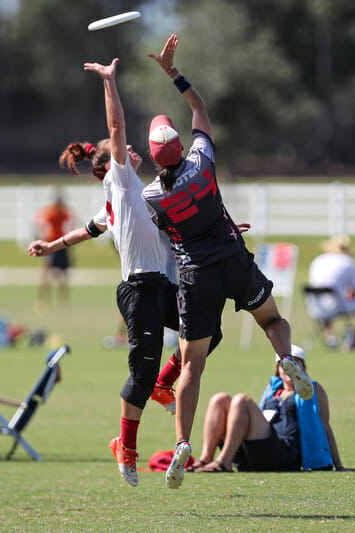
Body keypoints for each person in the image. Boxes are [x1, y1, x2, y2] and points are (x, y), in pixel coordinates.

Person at [141, 34, 313, 490]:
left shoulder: (153, 195)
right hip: (233, 256)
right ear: (181, 146)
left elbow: (167, 229)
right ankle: (285, 361)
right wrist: (172, 72)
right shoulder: (202, 163)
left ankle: (181, 442)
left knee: (192, 365)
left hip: (195, 275)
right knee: (274, 321)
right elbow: (200, 110)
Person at [26, 57, 203, 488]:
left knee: (203, 334)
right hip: (140, 291)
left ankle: (166, 386)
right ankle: (125, 446)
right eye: (121, 151)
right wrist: (109, 82)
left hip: (163, 286)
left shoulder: (130, 196)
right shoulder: (120, 181)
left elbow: (89, 230)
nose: (130, 150)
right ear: (111, 164)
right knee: (140, 374)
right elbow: (118, 127)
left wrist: (51, 245)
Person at [191, 345, 346, 473]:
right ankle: (205, 460)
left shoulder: (313, 390)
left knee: (241, 400)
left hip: (285, 454)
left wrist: (338, 466)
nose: (289, 369)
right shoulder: (272, 391)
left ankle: (224, 463)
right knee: (220, 399)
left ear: (303, 368)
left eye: (295, 364)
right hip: (260, 450)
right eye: (284, 364)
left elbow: (325, 426)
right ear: (278, 369)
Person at [306, 234, 355, 351]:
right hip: (338, 306)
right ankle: (353, 338)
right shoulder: (348, 262)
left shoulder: (318, 260)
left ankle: (330, 336)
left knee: (325, 303)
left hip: (314, 307)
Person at [33, 190, 75, 310]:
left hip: (56, 243)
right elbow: (72, 221)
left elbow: (39, 221)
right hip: (58, 243)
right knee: (55, 273)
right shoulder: (58, 212)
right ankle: (55, 300)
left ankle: (48, 300)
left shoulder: (53, 212)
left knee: (52, 273)